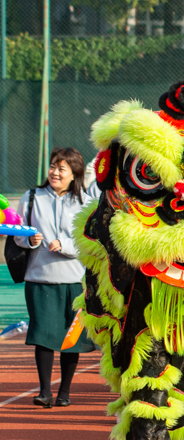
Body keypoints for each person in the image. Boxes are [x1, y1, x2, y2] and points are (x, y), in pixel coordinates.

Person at [19, 148, 97, 407]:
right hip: (39, 278)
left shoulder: (86, 203)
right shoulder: (31, 197)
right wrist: (29, 239)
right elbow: (17, 233)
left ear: (74, 173)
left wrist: (63, 245)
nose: (54, 172)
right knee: (42, 334)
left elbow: (89, 242)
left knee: (69, 338)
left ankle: (64, 391)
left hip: (74, 280)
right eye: (53, 166)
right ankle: (44, 391)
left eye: (61, 168)